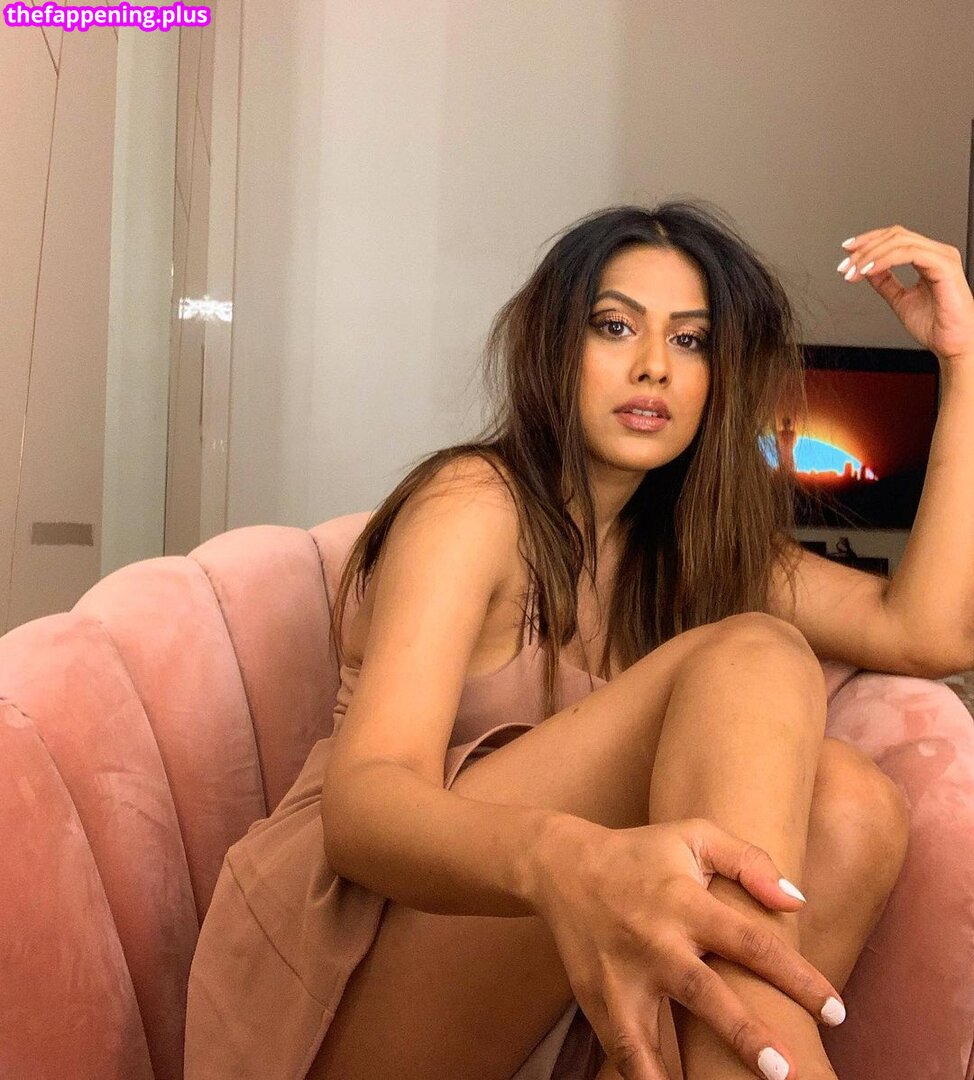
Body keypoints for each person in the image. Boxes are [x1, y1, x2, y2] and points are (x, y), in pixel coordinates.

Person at [184, 204, 974, 1080]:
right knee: (755, 650)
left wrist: (963, 361)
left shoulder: (695, 552)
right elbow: (363, 810)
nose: (653, 366)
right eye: (615, 327)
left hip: (549, 1002)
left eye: (690, 341)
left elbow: (929, 630)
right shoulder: (474, 505)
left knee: (854, 806)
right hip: (347, 983)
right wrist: (579, 861)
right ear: (555, 346)